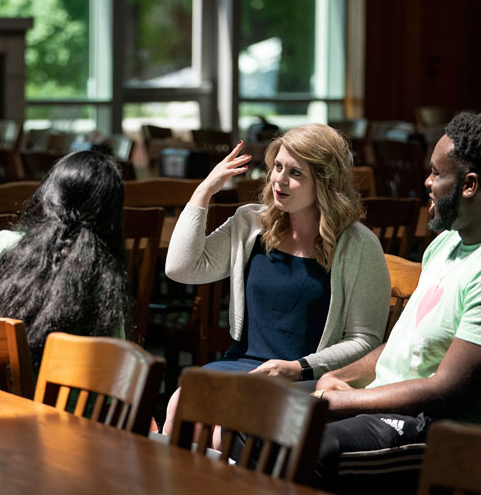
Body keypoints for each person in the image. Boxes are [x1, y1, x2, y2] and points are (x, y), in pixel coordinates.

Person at [310, 112, 481, 490]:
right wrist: (337, 377)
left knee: (306, 443)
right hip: (407, 410)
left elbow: (447, 392)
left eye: (436, 173)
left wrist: (337, 403)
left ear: (469, 185)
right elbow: (406, 345)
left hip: (466, 443)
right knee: (263, 410)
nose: (427, 182)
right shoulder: (448, 242)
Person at [161, 124, 391, 438]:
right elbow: (180, 269)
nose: (278, 179)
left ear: (324, 184)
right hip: (243, 364)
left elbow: (365, 340)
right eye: (277, 167)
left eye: (295, 173)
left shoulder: (358, 244)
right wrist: (204, 192)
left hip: (308, 376)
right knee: (181, 400)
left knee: (222, 427)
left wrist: (298, 367)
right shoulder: (251, 223)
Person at [0, 150, 133, 368]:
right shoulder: (100, 269)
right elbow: (114, 362)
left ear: (48, 194)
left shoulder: (1, 245)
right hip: (67, 401)